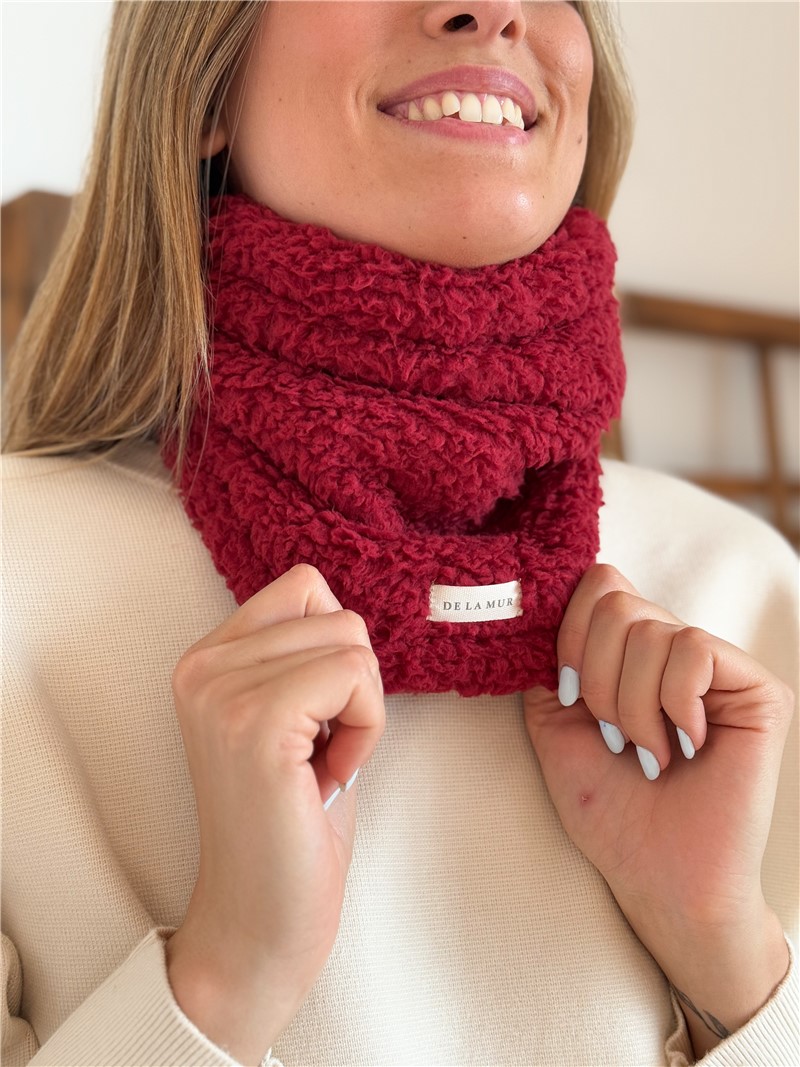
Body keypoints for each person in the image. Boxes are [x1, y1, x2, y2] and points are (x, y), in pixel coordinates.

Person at [2, 2, 797, 1065]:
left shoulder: (748, 594)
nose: (493, 7)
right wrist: (225, 978)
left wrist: (728, 960)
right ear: (202, 86)